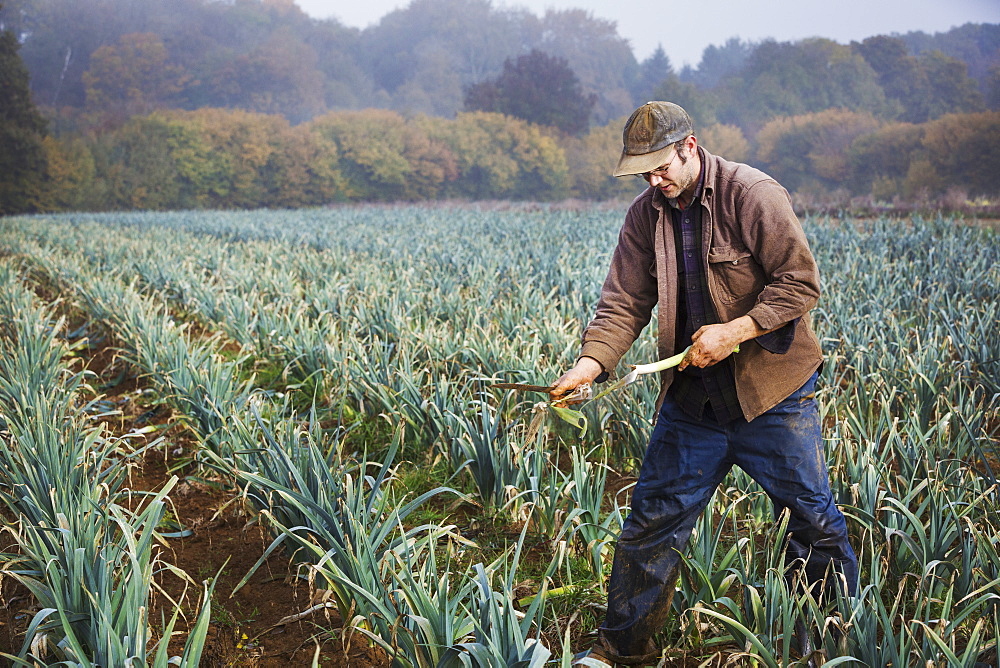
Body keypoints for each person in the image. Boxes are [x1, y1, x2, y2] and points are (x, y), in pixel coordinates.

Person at [551, 101, 858, 666]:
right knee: (652, 520)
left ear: (689, 146)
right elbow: (623, 302)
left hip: (772, 395)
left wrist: (736, 331)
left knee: (812, 518)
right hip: (693, 402)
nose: (653, 180)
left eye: (660, 166)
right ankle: (621, 651)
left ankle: (828, 646)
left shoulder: (753, 193)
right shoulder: (647, 214)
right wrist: (589, 366)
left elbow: (800, 283)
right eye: (643, 172)